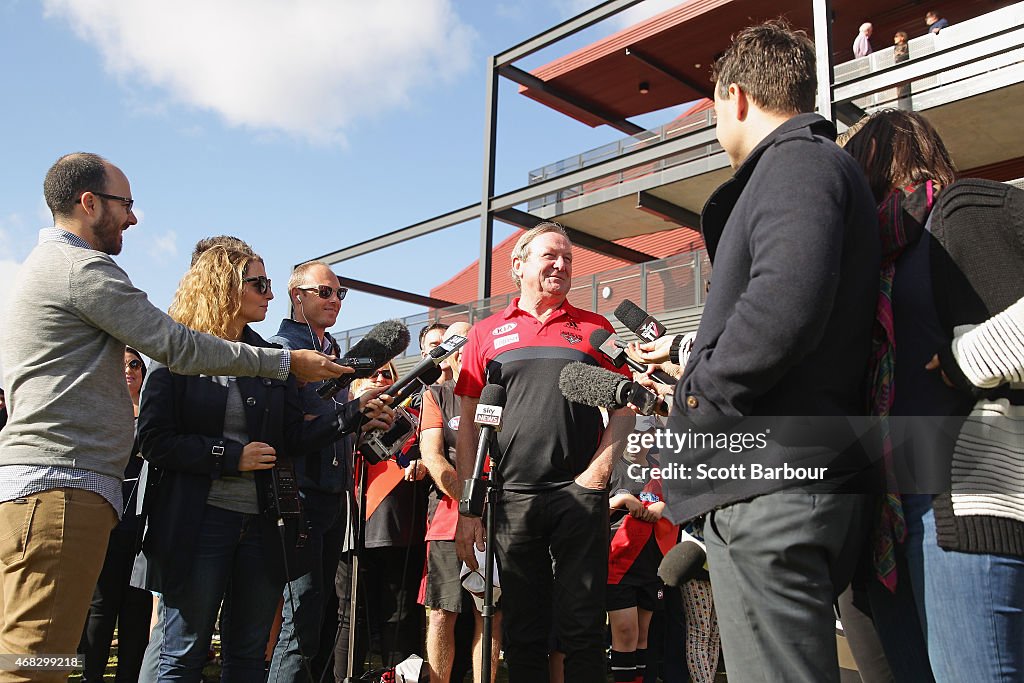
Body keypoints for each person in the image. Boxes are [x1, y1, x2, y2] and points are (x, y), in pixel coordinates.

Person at [0, 153, 343, 681]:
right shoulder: (78, 268)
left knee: (48, 652)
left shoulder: (56, 270)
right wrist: (283, 364)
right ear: (88, 203)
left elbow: (292, 431)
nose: (134, 218)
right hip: (61, 488)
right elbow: (174, 347)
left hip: (71, 489)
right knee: (36, 657)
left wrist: (353, 412)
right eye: (126, 204)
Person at [636, 21, 880, 682]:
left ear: (737, 98)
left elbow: (784, 303)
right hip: (787, 477)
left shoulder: (797, 161)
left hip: (771, 486)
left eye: (715, 109)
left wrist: (694, 400)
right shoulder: (813, 165)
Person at [134, 245, 392, 680]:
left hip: (261, 523)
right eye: (260, 284)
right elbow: (154, 440)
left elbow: (291, 436)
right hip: (200, 521)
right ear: (223, 287)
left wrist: (353, 413)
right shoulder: (178, 348)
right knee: (183, 651)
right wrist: (231, 456)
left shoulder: (268, 357)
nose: (270, 295)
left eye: (269, 284)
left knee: (250, 653)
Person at [846, 110, 1024, 682]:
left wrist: (964, 360)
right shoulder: (883, 261)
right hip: (899, 523)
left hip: (968, 509)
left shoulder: (962, 211)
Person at [454, 222, 634, 682]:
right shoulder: (485, 334)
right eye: (549, 256)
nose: (561, 265)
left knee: (583, 628)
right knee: (523, 630)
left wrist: (597, 474)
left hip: (579, 495)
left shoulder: (596, 330)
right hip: (511, 499)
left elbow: (629, 402)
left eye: (568, 258)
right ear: (518, 266)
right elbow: (471, 424)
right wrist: (468, 509)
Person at [267, 260, 353, 683]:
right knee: (301, 614)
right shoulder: (283, 349)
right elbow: (288, 429)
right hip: (297, 494)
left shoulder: (335, 351)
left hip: (334, 495)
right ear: (296, 295)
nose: (335, 300)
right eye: (325, 292)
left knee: (324, 612)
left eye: (339, 293)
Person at [418, 321, 503, 683]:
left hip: (502, 517)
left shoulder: (503, 393)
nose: (467, 347)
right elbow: (433, 457)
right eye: (461, 342)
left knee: (492, 612)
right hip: (449, 517)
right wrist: (471, 504)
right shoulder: (437, 394)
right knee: (442, 612)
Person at [337, 361, 427, 678]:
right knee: (349, 618)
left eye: (386, 374)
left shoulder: (413, 419)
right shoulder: (338, 420)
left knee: (401, 620)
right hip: (348, 531)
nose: (379, 378)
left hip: (398, 531)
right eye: (370, 373)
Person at [78, 347, 153, 682]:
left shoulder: (155, 412)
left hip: (143, 525)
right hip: (106, 517)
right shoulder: (98, 411)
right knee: (100, 605)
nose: (129, 370)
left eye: (135, 364)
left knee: (137, 609)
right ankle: (90, 674)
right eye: (122, 365)